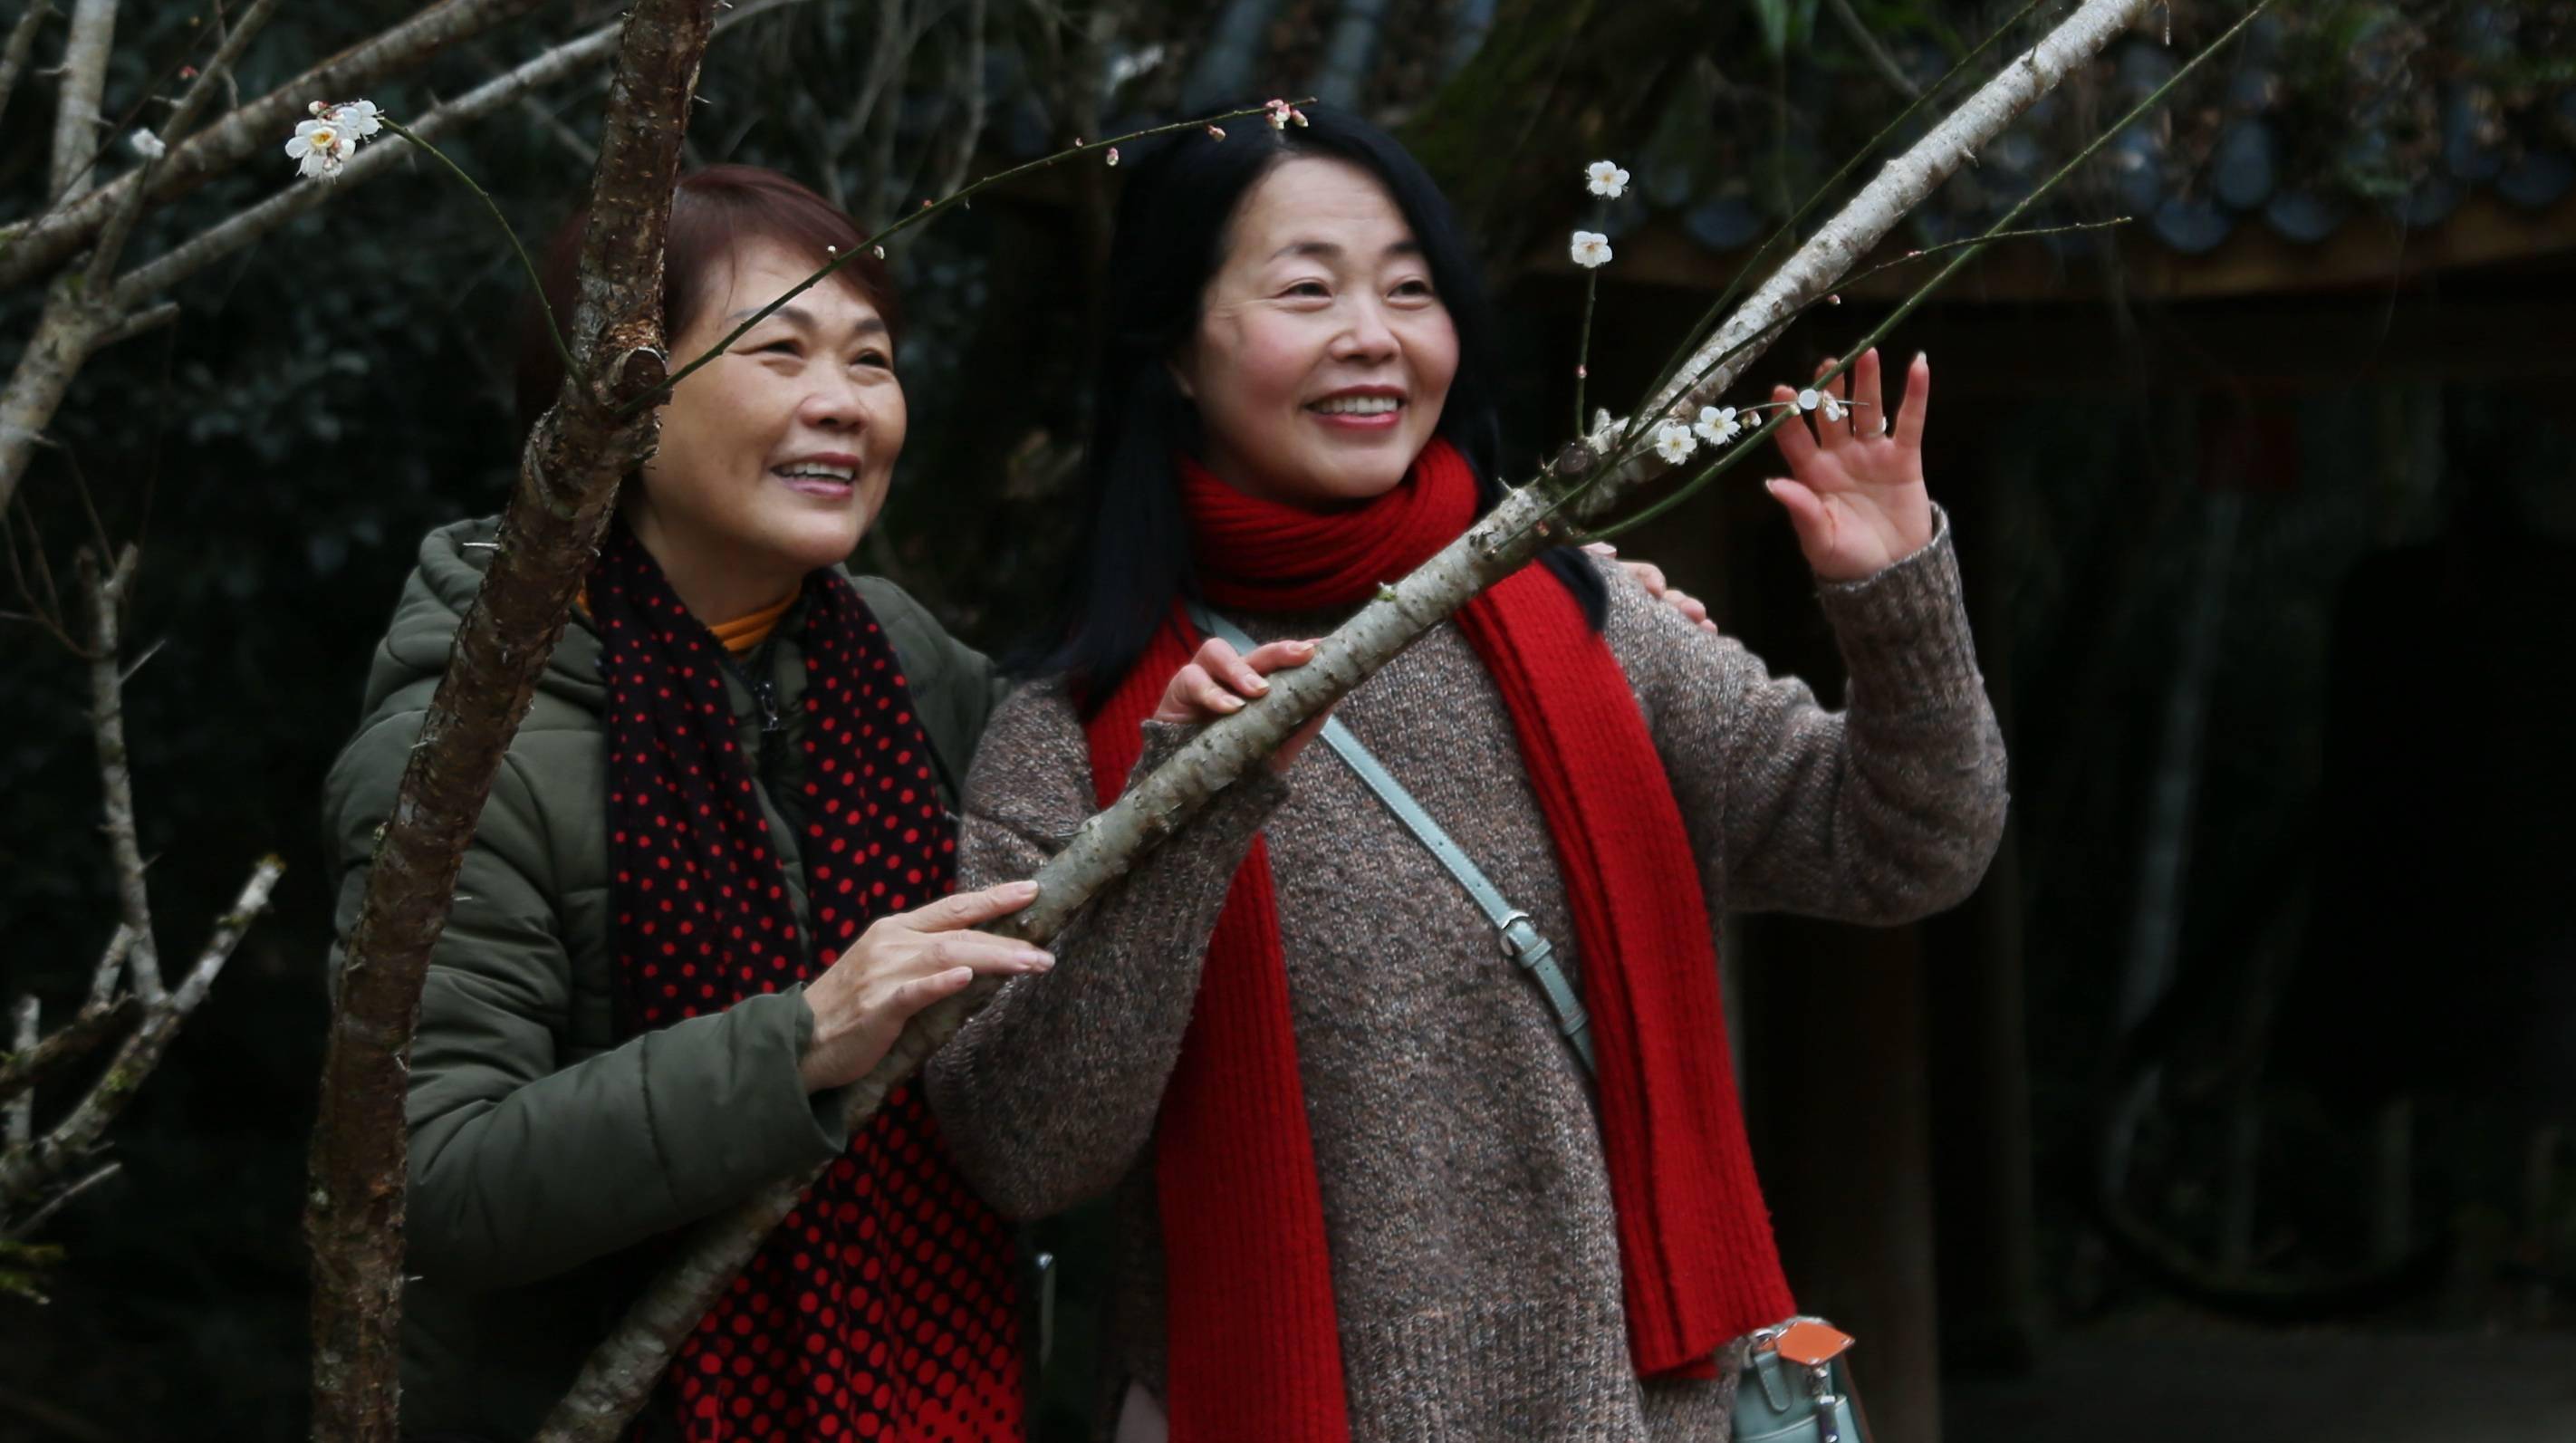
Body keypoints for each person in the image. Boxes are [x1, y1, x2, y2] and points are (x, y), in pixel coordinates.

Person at [925, 105, 2004, 1443]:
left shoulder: (1590, 620)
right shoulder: (1071, 728)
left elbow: (1905, 847)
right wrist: (1182, 817)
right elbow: (1025, 1144)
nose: (1373, 334)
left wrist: (1895, 598)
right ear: (1175, 352)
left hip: (1636, 1407)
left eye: (1410, 287)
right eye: (1307, 287)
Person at [321, 166, 1039, 1443]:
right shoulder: (463, 752)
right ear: (621, 401)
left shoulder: (894, 656)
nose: (842, 404)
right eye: (779, 351)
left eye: (870, 360)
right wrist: (801, 1039)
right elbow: (427, 1185)